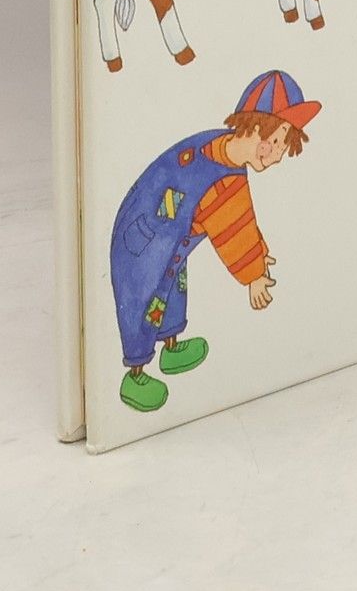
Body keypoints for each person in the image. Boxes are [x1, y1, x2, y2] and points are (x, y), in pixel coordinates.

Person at [109, 71, 320, 415]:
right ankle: (135, 372)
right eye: (277, 141)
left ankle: (171, 347)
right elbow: (234, 230)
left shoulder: (224, 151)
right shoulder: (227, 179)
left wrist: (259, 255)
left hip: (170, 240)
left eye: (283, 145)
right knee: (142, 297)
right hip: (142, 241)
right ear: (255, 127)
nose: (278, 154)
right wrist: (254, 276)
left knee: (172, 288)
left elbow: (239, 223)